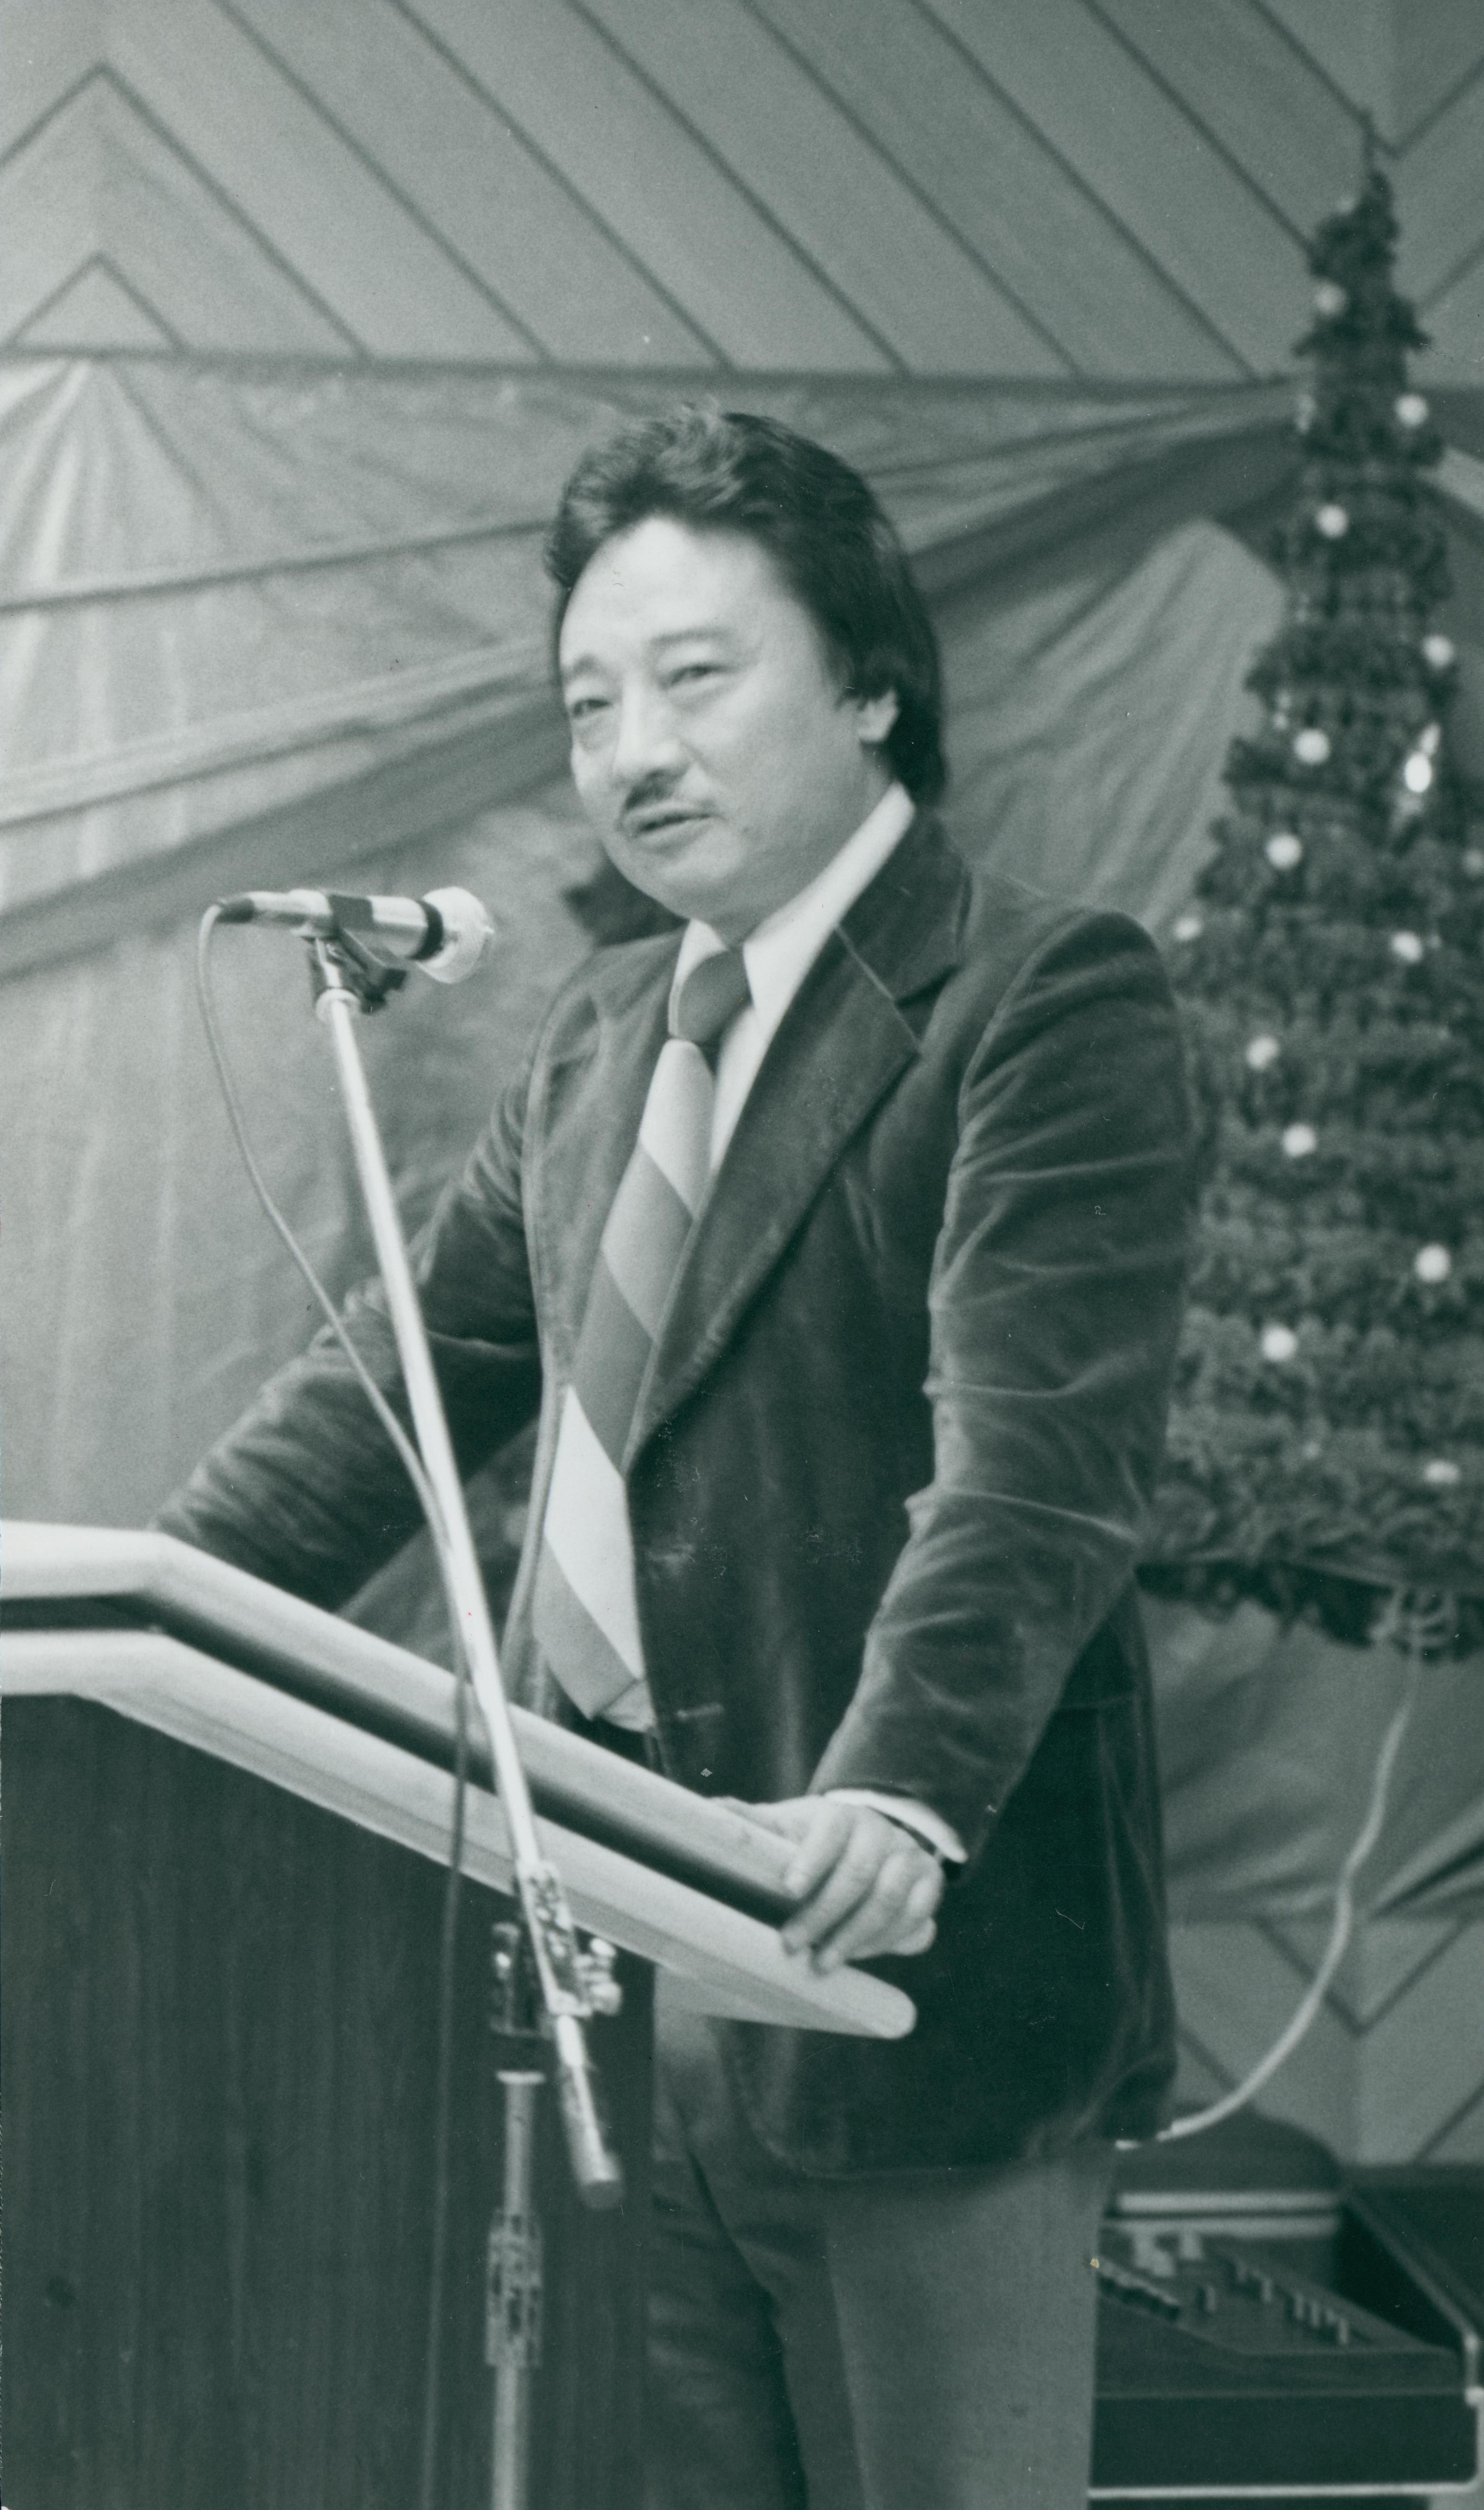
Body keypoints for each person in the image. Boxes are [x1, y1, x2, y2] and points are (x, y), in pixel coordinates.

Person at [157, 406, 1196, 2509]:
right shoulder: (601, 1033)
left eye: (695, 679)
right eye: (588, 703)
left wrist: (899, 1786)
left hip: (898, 1980)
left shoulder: (1042, 997)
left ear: (873, 683)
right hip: (604, 1990)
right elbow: (378, 1410)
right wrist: (106, 1633)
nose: (633, 749)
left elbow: (1037, 1459)